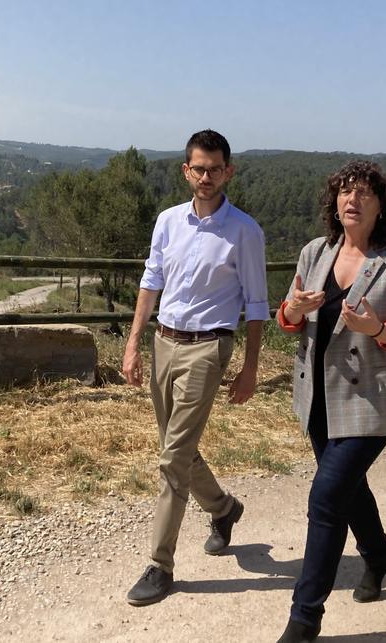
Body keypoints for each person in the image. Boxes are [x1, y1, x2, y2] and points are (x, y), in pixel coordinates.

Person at [274, 161, 386, 642]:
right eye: (346, 191)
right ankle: (380, 557)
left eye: (365, 193)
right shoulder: (313, 252)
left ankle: (305, 619)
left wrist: (380, 329)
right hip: (318, 398)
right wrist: (292, 310)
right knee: (348, 488)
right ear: (334, 201)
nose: (353, 199)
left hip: (372, 401)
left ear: (381, 205)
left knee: (326, 497)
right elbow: (287, 317)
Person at [121, 129, 269, 606]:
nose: (206, 177)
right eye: (198, 168)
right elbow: (151, 281)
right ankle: (224, 509)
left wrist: (249, 367)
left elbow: (257, 303)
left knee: (172, 459)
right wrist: (133, 343)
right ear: (186, 171)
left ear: (229, 171)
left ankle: (159, 565)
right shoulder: (167, 222)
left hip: (209, 348)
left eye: (215, 169)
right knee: (176, 448)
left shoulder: (244, 231)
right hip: (165, 341)